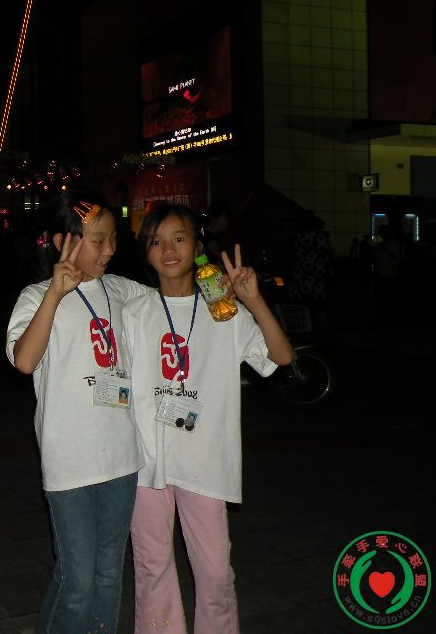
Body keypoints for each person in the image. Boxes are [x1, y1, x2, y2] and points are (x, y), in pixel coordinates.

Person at [120, 204, 292, 634]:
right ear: (146, 253)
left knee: (215, 574)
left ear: (197, 246)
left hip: (205, 460)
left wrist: (253, 299)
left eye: (179, 238)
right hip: (147, 462)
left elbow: (281, 357)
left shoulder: (223, 310)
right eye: (156, 241)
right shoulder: (135, 312)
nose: (168, 249)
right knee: (153, 568)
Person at [5, 191, 150, 634]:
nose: (109, 250)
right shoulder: (35, 296)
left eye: (112, 239)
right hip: (69, 462)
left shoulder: (121, 290)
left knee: (107, 573)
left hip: (121, 457)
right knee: (79, 580)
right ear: (62, 242)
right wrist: (55, 294)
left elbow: (173, 304)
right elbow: (24, 361)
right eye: (98, 240)